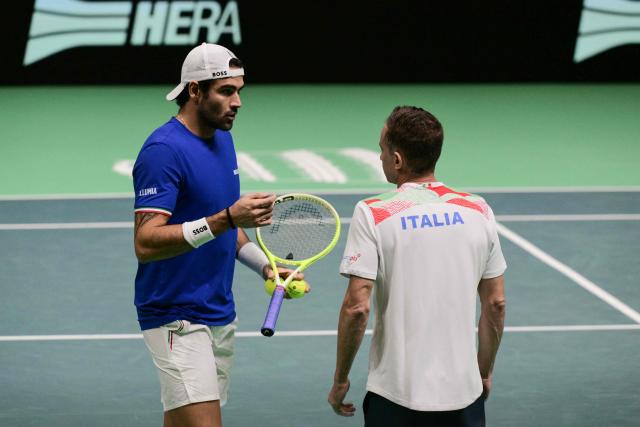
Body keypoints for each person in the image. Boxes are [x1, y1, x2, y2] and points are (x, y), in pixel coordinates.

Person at [132, 43, 298, 427]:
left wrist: (265, 266)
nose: (237, 101)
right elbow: (145, 242)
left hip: (218, 311)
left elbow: (222, 228)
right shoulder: (163, 151)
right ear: (195, 90)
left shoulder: (223, 138)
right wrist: (227, 217)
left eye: (239, 91)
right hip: (176, 315)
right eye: (226, 91)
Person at [328, 106, 507, 426]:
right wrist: (483, 372)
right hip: (464, 395)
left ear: (397, 160)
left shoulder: (372, 212)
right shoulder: (478, 209)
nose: (379, 156)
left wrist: (341, 379)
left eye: (381, 150)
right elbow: (495, 303)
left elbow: (357, 307)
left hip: (395, 395)